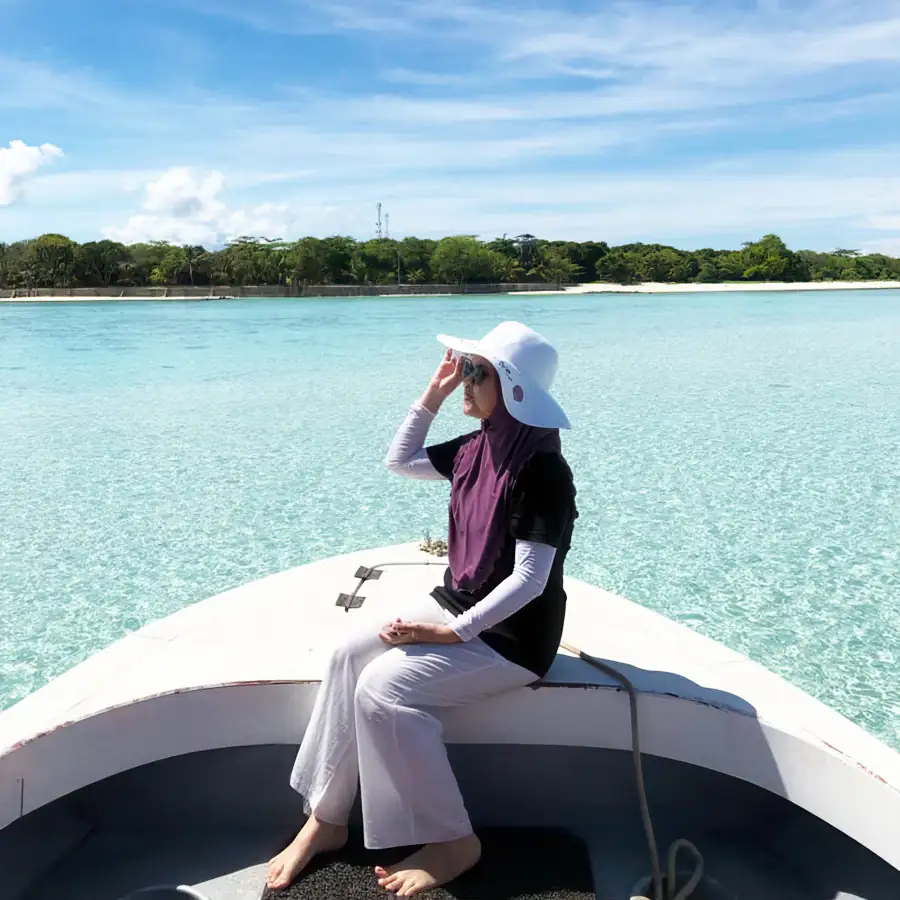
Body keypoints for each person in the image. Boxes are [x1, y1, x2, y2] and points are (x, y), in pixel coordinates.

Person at [266, 321, 578, 896]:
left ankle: (455, 841)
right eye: (465, 367)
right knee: (345, 655)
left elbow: (531, 580)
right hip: (458, 606)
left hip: (512, 639)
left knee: (383, 690)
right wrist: (430, 397)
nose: (464, 378)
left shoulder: (542, 470)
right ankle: (327, 821)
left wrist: (450, 633)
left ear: (512, 390)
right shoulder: (479, 445)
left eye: (475, 371)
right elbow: (400, 461)